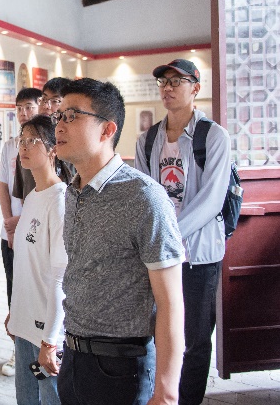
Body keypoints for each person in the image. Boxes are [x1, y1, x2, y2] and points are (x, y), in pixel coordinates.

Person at [53, 78, 185, 405]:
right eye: (59, 116)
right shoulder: (73, 191)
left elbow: (170, 301)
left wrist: (166, 392)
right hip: (73, 356)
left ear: (107, 129)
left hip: (121, 366)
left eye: (72, 116)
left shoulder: (144, 198)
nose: (60, 125)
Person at [135, 59, 231, 405]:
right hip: (158, 256)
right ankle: (160, 393)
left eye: (177, 81)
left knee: (195, 338)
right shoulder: (147, 140)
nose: (168, 88)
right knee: (157, 331)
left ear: (196, 88)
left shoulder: (213, 136)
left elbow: (212, 199)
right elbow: (143, 194)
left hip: (198, 256)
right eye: (163, 82)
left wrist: (168, 235)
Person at [6, 115, 70, 405]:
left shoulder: (60, 200)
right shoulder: (32, 196)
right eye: (22, 140)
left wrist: (50, 340)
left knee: (50, 398)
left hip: (45, 330)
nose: (24, 147)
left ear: (53, 149)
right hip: (24, 325)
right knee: (26, 398)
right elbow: (25, 267)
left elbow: (59, 277)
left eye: (33, 140)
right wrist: (14, 312)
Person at [0, 86, 42, 377]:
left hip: (35, 236)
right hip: (11, 235)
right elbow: (2, 185)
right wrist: (9, 225)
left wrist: (21, 224)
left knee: (37, 293)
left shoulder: (48, 145)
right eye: (19, 108)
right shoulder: (11, 145)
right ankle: (17, 350)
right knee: (13, 292)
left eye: (29, 107)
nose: (24, 113)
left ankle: (40, 348)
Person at [12, 77, 72, 201]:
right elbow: (24, 195)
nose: (46, 106)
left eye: (55, 101)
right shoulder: (26, 150)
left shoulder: (74, 149)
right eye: (44, 99)